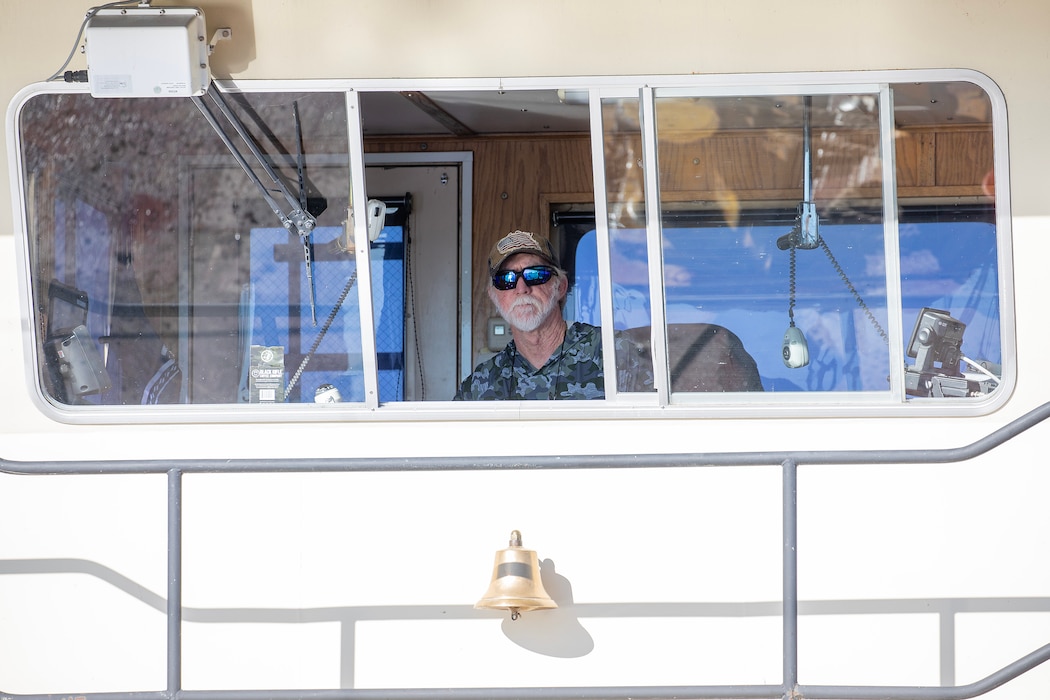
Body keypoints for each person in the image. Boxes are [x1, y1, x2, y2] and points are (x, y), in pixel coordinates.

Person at [455, 230, 652, 400]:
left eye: (536, 275)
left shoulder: (615, 353)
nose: (521, 288)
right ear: (494, 296)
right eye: (506, 279)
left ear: (560, 287)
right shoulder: (480, 386)